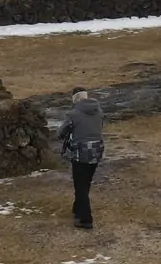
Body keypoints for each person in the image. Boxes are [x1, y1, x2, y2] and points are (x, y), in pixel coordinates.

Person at [57, 87, 105, 229]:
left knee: (80, 186)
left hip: (80, 153)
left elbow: (60, 133)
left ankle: (85, 219)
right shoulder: (99, 111)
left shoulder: (73, 114)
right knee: (86, 183)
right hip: (97, 151)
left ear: (75, 99)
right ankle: (78, 209)